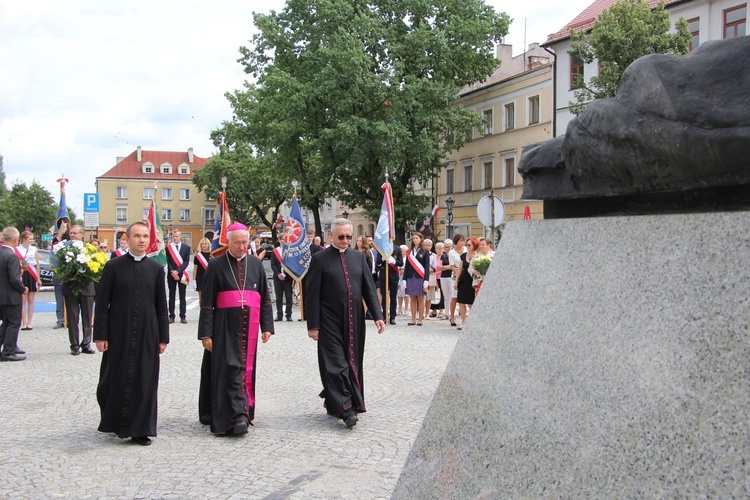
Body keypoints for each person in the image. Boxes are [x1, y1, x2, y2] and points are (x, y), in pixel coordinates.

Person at [94, 221, 169, 446]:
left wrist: (163, 337)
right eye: (137, 236)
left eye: (145, 236)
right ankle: (116, 422)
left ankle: (141, 429)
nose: (142, 240)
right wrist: (100, 335)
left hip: (147, 333)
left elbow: (161, 306)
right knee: (113, 378)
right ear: (127, 239)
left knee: (145, 380)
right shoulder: (114, 266)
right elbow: (102, 302)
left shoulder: (156, 269)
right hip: (119, 333)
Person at [305, 218, 385, 428]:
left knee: (352, 361)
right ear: (331, 236)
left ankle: (337, 401)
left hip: (354, 319)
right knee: (336, 364)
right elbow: (311, 295)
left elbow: (369, 288)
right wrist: (313, 325)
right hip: (328, 320)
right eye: (341, 237)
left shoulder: (359, 257)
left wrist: (378, 316)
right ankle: (346, 409)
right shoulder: (319, 259)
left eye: (349, 237)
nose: (345, 240)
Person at [198, 223, 274, 435]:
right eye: (237, 243)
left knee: (244, 368)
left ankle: (243, 412)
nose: (242, 247)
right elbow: (207, 303)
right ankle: (235, 417)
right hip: (223, 326)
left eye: (245, 242)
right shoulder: (216, 265)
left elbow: (265, 298)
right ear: (228, 243)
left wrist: (267, 326)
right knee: (229, 369)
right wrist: (206, 333)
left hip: (248, 325)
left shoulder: (256, 264)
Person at [63, 225, 96, 355]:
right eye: (71, 233)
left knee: (87, 318)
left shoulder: (89, 249)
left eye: (75, 233)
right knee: (72, 318)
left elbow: (96, 266)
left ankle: (86, 343)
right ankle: (74, 345)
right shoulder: (64, 249)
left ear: (82, 235)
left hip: (87, 287)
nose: (72, 235)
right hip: (70, 287)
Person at [0, 227, 28, 361]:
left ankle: (7, 347)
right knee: (13, 323)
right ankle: (8, 351)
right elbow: (14, 279)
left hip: (2, 295)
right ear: (16, 240)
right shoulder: (11, 255)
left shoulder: (1, 253)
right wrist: (23, 289)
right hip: (11, 296)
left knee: (6, 322)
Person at [404, 232, 430, 326]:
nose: (415, 240)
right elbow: (407, 266)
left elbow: (427, 267)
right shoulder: (410, 251)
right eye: (414, 238)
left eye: (417, 238)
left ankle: (420, 319)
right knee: (412, 299)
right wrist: (404, 279)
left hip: (420, 277)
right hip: (411, 277)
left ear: (421, 239)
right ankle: (413, 319)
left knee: (420, 299)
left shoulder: (425, 251)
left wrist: (426, 280)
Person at [18, 231, 42, 331]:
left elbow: (37, 264)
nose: (31, 241)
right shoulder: (17, 249)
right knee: (23, 300)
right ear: (23, 239)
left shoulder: (34, 249)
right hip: (23, 274)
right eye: (30, 239)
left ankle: (29, 322)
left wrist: (39, 278)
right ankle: (24, 322)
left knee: (31, 300)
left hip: (32, 275)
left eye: (32, 239)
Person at [166, 230, 190, 324]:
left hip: (182, 274)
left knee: (182, 296)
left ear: (180, 237)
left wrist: (178, 271)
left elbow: (186, 261)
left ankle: (183, 316)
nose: (175, 238)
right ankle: (171, 316)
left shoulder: (186, 248)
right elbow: (167, 261)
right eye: (174, 236)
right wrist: (173, 272)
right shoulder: (169, 248)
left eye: (176, 236)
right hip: (171, 274)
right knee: (172, 295)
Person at [455, 237, 478, 330]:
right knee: (461, 301)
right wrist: (456, 281)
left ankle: (474, 321)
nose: (467, 246)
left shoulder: (478, 256)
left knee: (471, 302)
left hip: (472, 280)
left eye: (469, 245)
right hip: (463, 279)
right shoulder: (463, 255)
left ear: (474, 245)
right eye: (467, 245)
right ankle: (463, 322)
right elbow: (460, 269)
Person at [375, 246, 403, 325]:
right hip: (384, 275)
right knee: (384, 297)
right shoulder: (381, 248)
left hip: (394, 276)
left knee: (393, 297)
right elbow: (377, 261)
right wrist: (383, 259)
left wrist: (394, 262)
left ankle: (392, 317)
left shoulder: (397, 249)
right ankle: (384, 316)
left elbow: (401, 262)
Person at [270, 245, 293, 321]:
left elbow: (291, 264)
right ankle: (279, 315)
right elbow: (273, 264)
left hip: (288, 277)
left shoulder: (290, 250)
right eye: (281, 239)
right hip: (278, 277)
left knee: (289, 296)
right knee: (278, 297)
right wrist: (278, 274)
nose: (282, 241)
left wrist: (285, 274)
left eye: (283, 239)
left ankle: (288, 315)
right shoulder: (275, 251)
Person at [447, 234, 466, 327]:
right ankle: (452, 316)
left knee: (465, 296)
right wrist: (458, 273)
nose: (462, 243)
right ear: (456, 242)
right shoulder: (451, 252)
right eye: (460, 241)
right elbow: (451, 266)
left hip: (466, 274)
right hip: (455, 275)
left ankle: (464, 317)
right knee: (454, 297)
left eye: (463, 241)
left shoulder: (466, 250)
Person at [429, 241, 447, 319]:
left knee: (442, 294)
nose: (440, 250)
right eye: (438, 249)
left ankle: (442, 309)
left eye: (441, 249)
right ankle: (434, 310)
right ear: (435, 249)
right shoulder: (433, 257)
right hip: (433, 277)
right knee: (433, 293)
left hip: (441, 277)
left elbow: (444, 268)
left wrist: (437, 273)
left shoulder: (444, 257)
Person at [438, 239, 455, 321]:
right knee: (446, 296)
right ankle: (447, 313)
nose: (447, 248)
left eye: (449, 247)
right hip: (443, 276)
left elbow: (453, 266)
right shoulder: (443, 255)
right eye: (446, 247)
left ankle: (453, 313)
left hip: (451, 276)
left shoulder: (454, 255)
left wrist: (447, 267)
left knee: (452, 295)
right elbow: (441, 267)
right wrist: (447, 267)